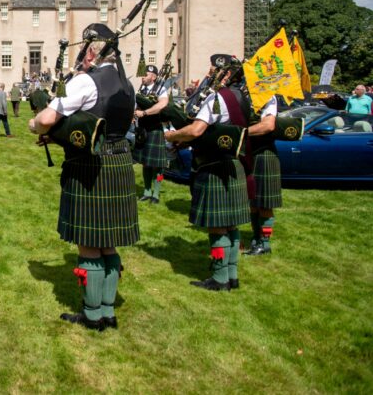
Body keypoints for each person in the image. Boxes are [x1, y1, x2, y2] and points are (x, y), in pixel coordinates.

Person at [29, 23, 139, 331]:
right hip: (119, 163)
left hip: (90, 168)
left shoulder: (86, 83)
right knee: (109, 244)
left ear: (92, 51)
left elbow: (48, 118)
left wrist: (35, 125)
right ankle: (108, 310)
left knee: (90, 243)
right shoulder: (127, 85)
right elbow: (95, 126)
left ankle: (92, 315)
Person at [165, 56, 250, 291]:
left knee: (218, 226)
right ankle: (231, 275)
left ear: (225, 75)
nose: (210, 75)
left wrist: (172, 136)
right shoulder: (242, 96)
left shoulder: (218, 97)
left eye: (215, 72)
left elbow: (196, 129)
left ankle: (220, 278)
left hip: (213, 165)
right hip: (233, 164)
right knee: (232, 225)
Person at [245, 95, 281, 256]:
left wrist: (240, 132)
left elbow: (267, 126)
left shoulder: (268, 98)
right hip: (250, 153)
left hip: (265, 154)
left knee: (265, 204)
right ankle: (256, 237)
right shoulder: (247, 97)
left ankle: (264, 243)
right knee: (253, 201)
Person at [133, 64, 169, 204]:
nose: (143, 76)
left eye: (146, 74)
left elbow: (161, 106)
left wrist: (145, 112)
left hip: (155, 130)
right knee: (146, 164)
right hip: (143, 130)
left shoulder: (161, 89)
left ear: (153, 77)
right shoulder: (140, 89)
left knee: (158, 166)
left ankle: (157, 192)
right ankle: (147, 192)